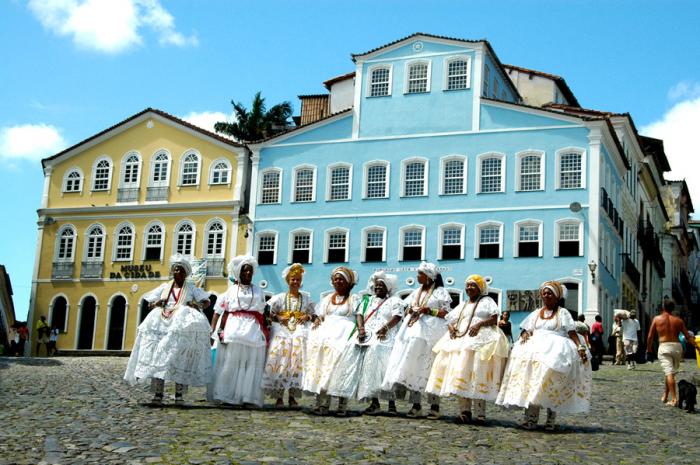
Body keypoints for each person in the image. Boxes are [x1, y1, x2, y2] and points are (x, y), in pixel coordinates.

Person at [496, 281, 591, 431]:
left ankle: (550, 420)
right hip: (535, 351)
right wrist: (525, 333)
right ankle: (530, 420)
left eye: (550, 293)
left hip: (556, 351)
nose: (546, 296)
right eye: (544, 293)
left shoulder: (563, 313)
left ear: (557, 296)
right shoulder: (536, 313)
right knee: (532, 382)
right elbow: (527, 329)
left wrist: (580, 347)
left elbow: (572, 332)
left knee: (550, 383)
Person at [124, 255, 212, 405]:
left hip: (180, 326)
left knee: (180, 359)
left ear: (185, 273)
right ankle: (158, 394)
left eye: (180, 270)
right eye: (175, 269)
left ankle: (179, 395)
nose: (177, 272)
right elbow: (150, 304)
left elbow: (206, 301)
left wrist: (197, 305)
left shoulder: (191, 288)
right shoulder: (165, 287)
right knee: (158, 357)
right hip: (162, 323)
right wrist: (156, 303)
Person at [426, 274, 509, 424]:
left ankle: (480, 414)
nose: (469, 288)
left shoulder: (487, 301)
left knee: (478, 373)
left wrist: (479, 324)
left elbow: (494, 318)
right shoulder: (463, 304)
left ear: (480, 288)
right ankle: (464, 412)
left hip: (481, 341)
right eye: (468, 285)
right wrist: (451, 328)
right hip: (461, 341)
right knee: (462, 372)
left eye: (473, 285)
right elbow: (450, 319)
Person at [327, 272, 405, 415]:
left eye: (381, 286)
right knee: (366, 368)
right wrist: (361, 328)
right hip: (365, 335)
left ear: (388, 287)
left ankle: (391, 405)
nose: (378, 288)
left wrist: (385, 328)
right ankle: (373, 403)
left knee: (384, 369)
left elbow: (397, 316)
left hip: (385, 337)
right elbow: (359, 314)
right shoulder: (367, 300)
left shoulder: (395, 301)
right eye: (376, 286)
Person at [382, 262, 452, 419]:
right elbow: (405, 307)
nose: (417, 276)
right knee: (413, 366)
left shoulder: (440, 292)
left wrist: (428, 310)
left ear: (428, 276)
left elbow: (446, 313)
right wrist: (410, 310)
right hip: (413, 331)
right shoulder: (416, 292)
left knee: (430, 366)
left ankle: (435, 406)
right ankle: (416, 405)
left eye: (420, 274)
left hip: (432, 332)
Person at [211, 255, 267, 407]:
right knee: (232, 362)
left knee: (250, 363)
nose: (248, 273)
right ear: (239, 273)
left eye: (250, 271)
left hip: (252, 329)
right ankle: (227, 395)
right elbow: (223, 312)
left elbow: (262, 312)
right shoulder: (231, 291)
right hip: (234, 328)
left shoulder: (258, 291)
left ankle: (247, 396)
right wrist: (217, 330)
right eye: (245, 271)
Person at [303, 267, 359, 416]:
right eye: (336, 279)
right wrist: (316, 320)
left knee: (341, 368)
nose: (338, 281)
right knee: (323, 366)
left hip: (344, 336)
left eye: (341, 279)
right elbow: (319, 315)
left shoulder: (355, 299)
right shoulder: (327, 299)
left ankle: (342, 404)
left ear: (348, 282)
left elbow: (360, 316)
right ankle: (322, 402)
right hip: (326, 336)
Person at [262, 263, 316, 409]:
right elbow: (267, 311)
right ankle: (279, 397)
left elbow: (314, 314)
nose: (295, 282)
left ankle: (292, 397)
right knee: (281, 361)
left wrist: (307, 317)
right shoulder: (279, 297)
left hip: (299, 332)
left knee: (296, 363)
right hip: (282, 332)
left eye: (298, 279)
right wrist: (278, 318)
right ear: (288, 281)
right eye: (293, 279)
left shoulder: (305, 298)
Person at [646, 300, 698, 406]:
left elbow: (650, 336)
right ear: (673, 308)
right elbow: (687, 337)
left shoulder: (657, 319)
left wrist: (649, 349)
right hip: (677, 347)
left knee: (669, 372)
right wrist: (696, 346)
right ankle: (665, 395)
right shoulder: (678, 321)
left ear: (663, 307)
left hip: (664, 347)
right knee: (670, 372)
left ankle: (674, 399)